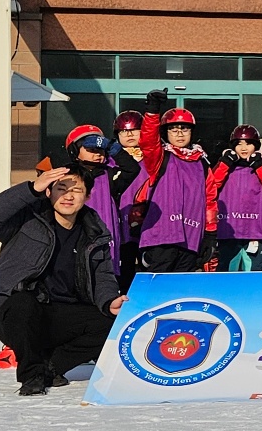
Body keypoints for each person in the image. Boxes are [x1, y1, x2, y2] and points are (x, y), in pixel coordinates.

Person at [0, 165, 126, 396]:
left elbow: (102, 275)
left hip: (63, 313)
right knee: (23, 304)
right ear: (49, 192)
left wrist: (109, 302)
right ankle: (32, 375)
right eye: (61, 188)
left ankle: (51, 367)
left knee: (113, 322)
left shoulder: (94, 232)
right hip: (16, 312)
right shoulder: (28, 218)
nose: (68, 196)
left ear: (87, 196)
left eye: (76, 190)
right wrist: (31, 190)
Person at [132, 90, 208, 273]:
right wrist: (152, 111)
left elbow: (210, 200)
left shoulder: (202, 162)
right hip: (162, 237)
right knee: (155, 287)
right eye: (174, 129)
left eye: (185, 129)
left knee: (183, 291)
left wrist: (210, 235)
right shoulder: (160, 157)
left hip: (191, 237)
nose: (180, 134)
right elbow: (148, 142)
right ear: (166, 132)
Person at [62, 124, 141, 277]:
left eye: (101, 150)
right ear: (74, 152)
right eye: (91, 150)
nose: (97, 154)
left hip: (107, 247)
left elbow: (132, 168)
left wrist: (113, 147)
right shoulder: (65, 176)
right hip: (77, 242)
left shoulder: (110, 175)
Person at [206, 125, 262, 272]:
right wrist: (225, 163)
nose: (243, 148)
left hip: (257, 230)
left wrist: (259, 164)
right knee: (226, 271)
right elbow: (211, 185)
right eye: (239, 144)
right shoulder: (226, 164)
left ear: (255, 146)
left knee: (255, 272)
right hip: (230, 230)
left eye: (248, 143)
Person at [111, 111, 148, 289]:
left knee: (147, 266)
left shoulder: (152, 157)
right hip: (120, 216)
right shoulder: (110, 160)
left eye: (134, 130)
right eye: (124, 131)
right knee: (124, 265)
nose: (129, 134)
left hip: (147, 218)